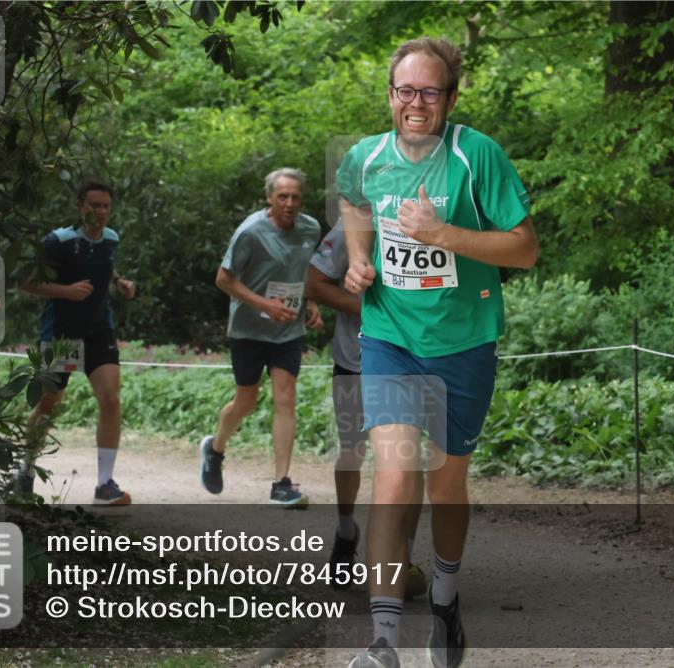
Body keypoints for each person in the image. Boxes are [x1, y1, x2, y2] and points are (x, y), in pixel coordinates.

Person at [338, 38, 538, 668]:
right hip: (391, 336)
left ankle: (446, 604)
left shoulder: (477, 156)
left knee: (447, 483)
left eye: (429, 91)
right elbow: (350, 200)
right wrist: (359, 257)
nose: (415, 103)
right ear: (390, 95)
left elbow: (525, 249)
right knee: (394, 476)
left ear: (451, 97)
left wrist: (442, 235)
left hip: (465, 342)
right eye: (405, 91)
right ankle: (383, 643)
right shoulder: (365, 157)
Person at [306, 220, 426, 599]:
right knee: (352, 451)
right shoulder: (351, 226)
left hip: (410, 359)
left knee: (409, 457)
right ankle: (345, 532)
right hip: (354, 360)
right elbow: (314, 283)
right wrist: (370, 308)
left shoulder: (422, 219)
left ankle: (401, 558)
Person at [200, 168, 323, 508]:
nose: (290, 203)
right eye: (282, 196)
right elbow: (224, 279)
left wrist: (311, 302)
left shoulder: (310, 228)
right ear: (269, 197)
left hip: (288, 330)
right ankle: (215, 448)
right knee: (246, 401)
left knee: (286, 398)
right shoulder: (251, 232)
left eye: (296, 196)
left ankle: (281, 483)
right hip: (249, 329)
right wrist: (264, 304)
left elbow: (304, 269)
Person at [17, 181, 136, 505]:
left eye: (105, 207)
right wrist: (65, 291)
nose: (99, 212)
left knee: (111, 399)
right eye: (93, 205)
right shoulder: (59, 241)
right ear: (80, 206)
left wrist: (120, 282)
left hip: (98, 330)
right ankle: (25, 471)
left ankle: (104, 484)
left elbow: (103, 267)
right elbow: (25, 281)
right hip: (61, 333)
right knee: (49, 403)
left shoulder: (111, 239)